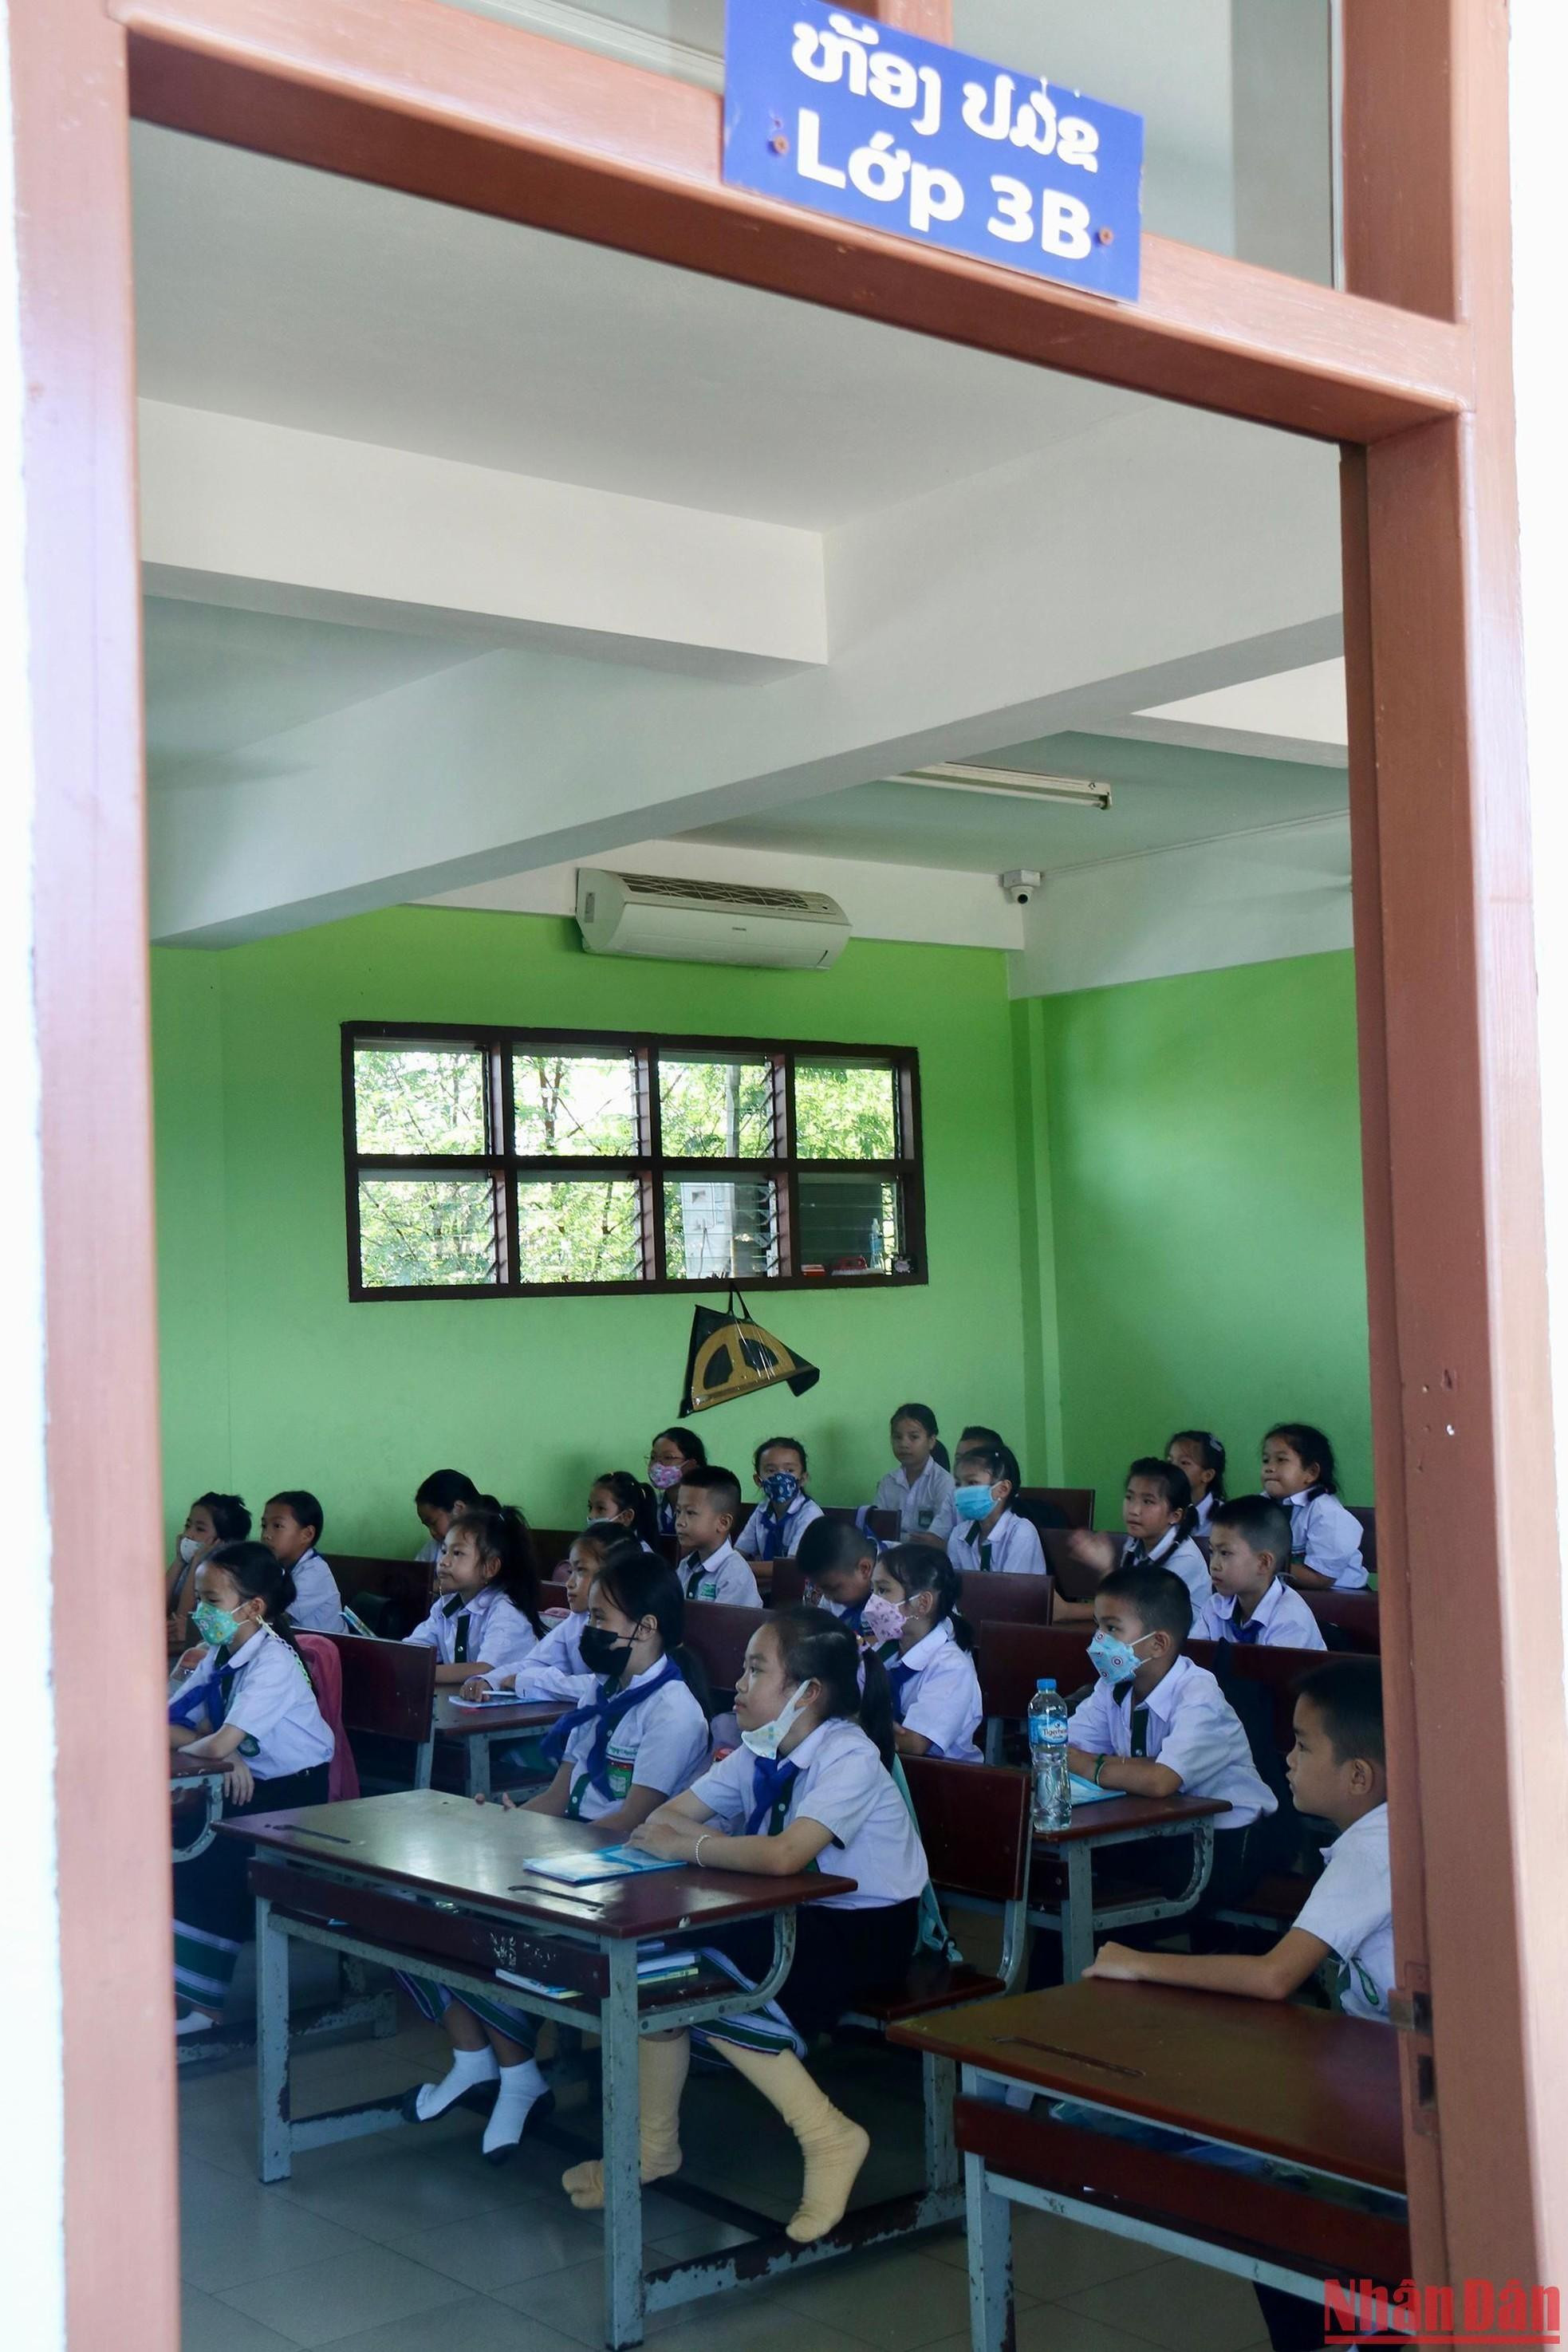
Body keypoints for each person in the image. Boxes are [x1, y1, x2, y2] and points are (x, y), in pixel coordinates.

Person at [601, 1608, 924, 2244]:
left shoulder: (847, 1755)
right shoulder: (759, 1748)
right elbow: (661, 1820)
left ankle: (829, 2134)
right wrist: (694, 1838)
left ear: (808, 1692)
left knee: (691, 1970)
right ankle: (653, 2145)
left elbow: (782, 1855)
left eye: (756, 1669)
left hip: (867, 1933)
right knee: (657, 1958)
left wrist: (694, 1846)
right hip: (792, 1913)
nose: (738, 1685)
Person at [404, 1547, 711, 2161]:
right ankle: (478, 2061)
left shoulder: (673, 1710)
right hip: (576, 1855)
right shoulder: (603, 1690)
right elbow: (559, 1793)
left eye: (601, 1621)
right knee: (421, 1895)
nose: (588, 1632)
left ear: (645, 1628)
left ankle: (518, 2078)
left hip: (634, 1874)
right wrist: (512, 1823)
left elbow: (632, 1820)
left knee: (483, 1916)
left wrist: (534, 1844)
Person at [169, 1542, 333, 2033]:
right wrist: (224, 1750)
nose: (200, 1612)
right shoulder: (221, 1652)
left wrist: (222, 1748)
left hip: (296, 1795)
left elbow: (215, 1746)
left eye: (212, 1602)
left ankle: (204, 2009)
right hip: (245, 1785)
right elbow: (169, 1723)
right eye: (198, 1599)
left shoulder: (274, 1663)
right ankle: (177, 1987)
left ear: (253, 1607)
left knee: (208, 1852)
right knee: (174, 1839)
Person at [1065, 1563, 1277, 1909]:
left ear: (1158, 1643)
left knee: (1098, 1910)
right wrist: (1131, 1768)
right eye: (1097, 1626)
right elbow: (1058, 1751)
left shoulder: (1199, 1693)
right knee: (1068, 1897)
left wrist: (1095, 1765)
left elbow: (1161, 1781)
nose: (1097, 1641)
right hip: (1157, 1829)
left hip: (1225, 1842)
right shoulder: (1112, 1686)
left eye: (1111, 1628)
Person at [860, 1544, 981, 1762]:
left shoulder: (951, 1666)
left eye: (883, 1590)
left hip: (942, 1783)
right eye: (873, 1590)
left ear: (922, 1603)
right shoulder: (883, 1651)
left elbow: (914, 1743)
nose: (873, 1602)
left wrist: (856, 1722)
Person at [402, 1501, 543, 1685]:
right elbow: (414, 1650)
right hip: (468, 1705)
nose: (443, 1561)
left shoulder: (505, 1611)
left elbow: (483, 1669)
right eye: (445, 1551)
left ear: (490, 1567)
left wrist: (420, 1672)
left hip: (515, 1710)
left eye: (457, 1553)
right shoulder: (445, 1606)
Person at [1055, 1458, 1208, 1622]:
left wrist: (1105, 1569)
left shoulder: (1185, 1560)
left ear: (1175, 1515)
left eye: (1148, 1501)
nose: (1134, 1510)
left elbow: (1137, 1614)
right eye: (1129, 1497)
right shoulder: (1135, 1542)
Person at [473, 1520, 609, 1696]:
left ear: (612, 1574)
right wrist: (489, 1681)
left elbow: (608, 1687)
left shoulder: (625, 1626)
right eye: (570, 1571)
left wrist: (530, 1682)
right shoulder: (577, 1620)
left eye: (581, 1571)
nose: (569, 1583)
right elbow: (536, 1662)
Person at [1194, 1496, 1326, 1649]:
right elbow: (1195, 1663)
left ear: (1263, 1563)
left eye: (1225, 1553)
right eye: (1211, 1551)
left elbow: (1272, 1673)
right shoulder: (1215, 1606)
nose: (1214, 1565)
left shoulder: (1291, 1619)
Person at [1260, 1424, 1369, 1590]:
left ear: (1311, 1472)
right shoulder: (1260, 1504)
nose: (1269, 1467)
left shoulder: (1328, 1515)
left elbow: (1320, 1579)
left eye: (1281, 1460)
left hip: (1340, 1601)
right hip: (1290, 1594)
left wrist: (1260, 1564)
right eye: (1266, 1460)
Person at [944, 1436, 1046, 1577]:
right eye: (958, 1484)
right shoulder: (958, 1535)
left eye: (972, 1483)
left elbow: (1012, 1592)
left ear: (1002, 1489)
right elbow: (953, 1589)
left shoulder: (1021, 1532)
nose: (961, 1491)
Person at [166, 1491, 250, 1645]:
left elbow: (184, 1622)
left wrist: (197, 1563)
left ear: (222, 1542)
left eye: (199, 1529)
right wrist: (179, 1560)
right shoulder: (189, 1561)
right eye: (188, 1525)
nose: (188, 1534)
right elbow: (156, 1609)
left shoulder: (224, 1571)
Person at [675, 1465, 762, 1605]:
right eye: (678, 1512)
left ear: (723, 1523)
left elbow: (725, 1625)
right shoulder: (686, 1566)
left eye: (690, 1513)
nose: (680, 1522)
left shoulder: (734, 1573)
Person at [260, 1490, 344, 1633]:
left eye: (277, 1526)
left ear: (307, 1534)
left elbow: (275, 1618)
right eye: (264, 1526)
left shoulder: (315, 1573)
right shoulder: (278, 1567)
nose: (266, 1535)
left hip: (326, 1651)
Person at [873, 1403, 956, 1546]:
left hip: (928, 1559)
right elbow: (878, 1529)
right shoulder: (887, 1482)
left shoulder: (944, 1483)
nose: (904, 1444)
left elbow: (936, 1539)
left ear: (931, 1441)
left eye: (914, 1437)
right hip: (890, 1556)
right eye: (897, 1437)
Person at [736, 1436, 824, 1562]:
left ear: (803, 1479)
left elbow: (790, 1569)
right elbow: (739, 1553)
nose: (780, 1476)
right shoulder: (762, 1511)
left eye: (789, 1470)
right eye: (771, 1470)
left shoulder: (810, 1515)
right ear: (758, 1480)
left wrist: (743, 1569)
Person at [798, 1515, 877, 1629]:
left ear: (864, 1569)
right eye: (823, 1590)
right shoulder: (831, 1586)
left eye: (833, 1588)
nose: (828, 1597)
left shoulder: (903, 1579)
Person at [412, 1469, 483, 1568]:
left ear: (458, 1509)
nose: (432, 1532)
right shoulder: (433, 1548)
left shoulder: (490, 1546)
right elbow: (415, 1578)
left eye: (433, 1523)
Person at [648, 1424, 707, 1538]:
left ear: (691, 1465)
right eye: (653, 1457)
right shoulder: (652, 1504)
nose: (656, 1465)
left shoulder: (707, 1506)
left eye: (668, 1457)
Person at [1165, 1430, 1227, 1534]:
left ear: (1207, 1475)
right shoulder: (1160, 1510)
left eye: (1184, 1463)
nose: (1172, 1468)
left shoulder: (1226, 1518)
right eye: (1170, 1461)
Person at [587, 1470, 660, 1551]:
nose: (590, 1516)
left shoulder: (640, 1554)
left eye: (600, 1508)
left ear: (626, 1517)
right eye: (590, 1507)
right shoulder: (595, 1548)